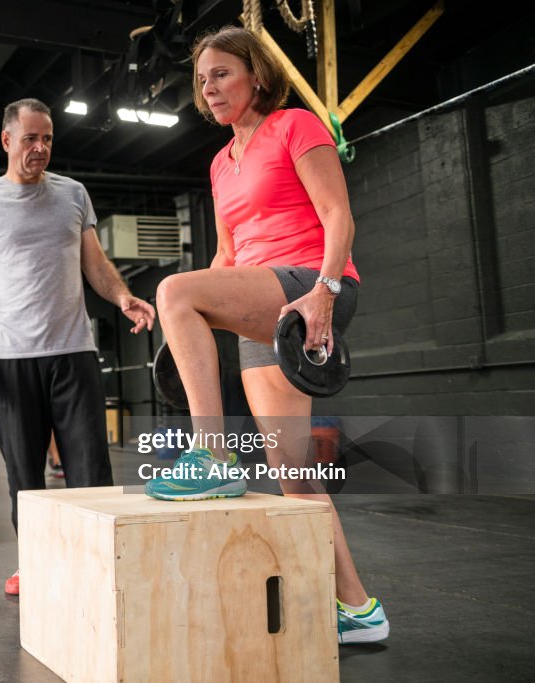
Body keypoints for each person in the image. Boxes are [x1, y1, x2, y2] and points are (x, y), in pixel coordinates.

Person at [146, 27, 388, 645]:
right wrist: (190, 326)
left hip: (311, 285)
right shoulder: (219, 163)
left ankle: (213, 455)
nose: (210, 87)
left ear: (256, 73)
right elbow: (227, 256)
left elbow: (338, 215)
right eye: (203, 79)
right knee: (293, 474)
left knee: (174, 288)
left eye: (222, 73)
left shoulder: (295, 126)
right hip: (264, 308)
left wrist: (326, 293)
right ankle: (360, 610)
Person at [0, 97, 156, 596]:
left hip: (73, 353)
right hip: (11, 359)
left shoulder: (74, 195)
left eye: (47, 139)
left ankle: (99, 564)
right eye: (30, 139)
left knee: (91, 469)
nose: (40, 148)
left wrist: (123, 295)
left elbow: (95, 263)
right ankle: (38, 564)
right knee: (25, 474)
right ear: (7, 140)